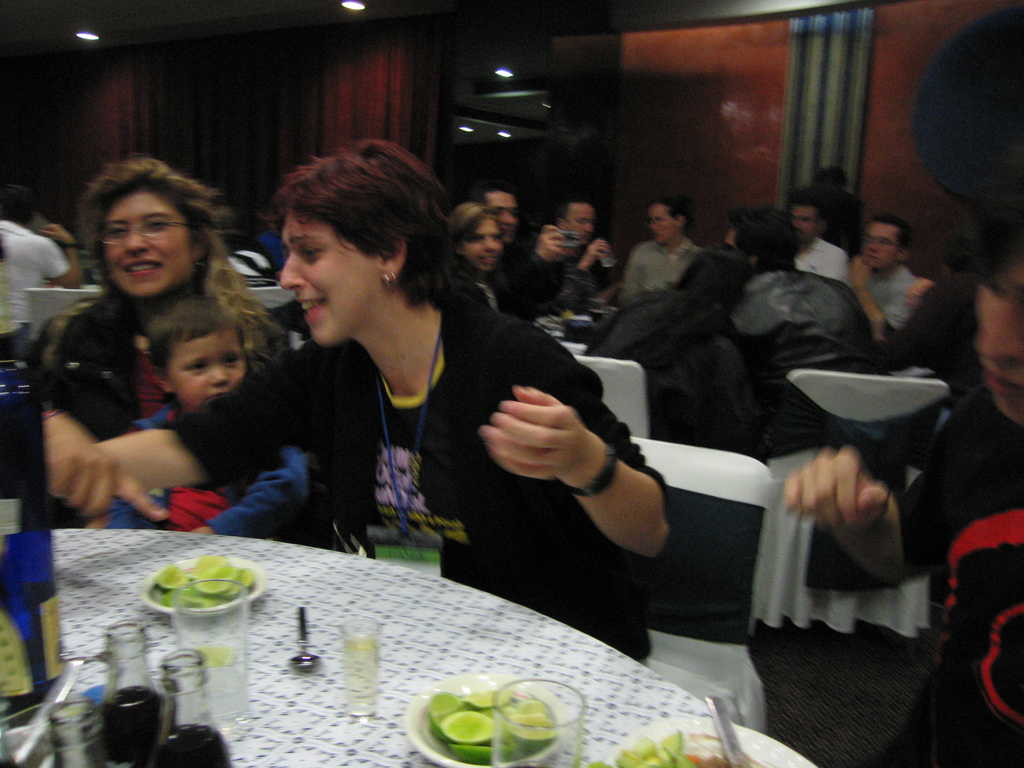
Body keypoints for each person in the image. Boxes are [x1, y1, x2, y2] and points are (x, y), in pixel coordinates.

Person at [50, 141, 668, 660]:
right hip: (405, 634)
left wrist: (585, 463)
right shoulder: (332, 367)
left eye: (310, 252)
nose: (287, 276)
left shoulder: (511, 360)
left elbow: (651, 531)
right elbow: (205, 443)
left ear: (390, 254)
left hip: (544, 650)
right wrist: (73, 452)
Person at [787, 9, 1024, 766]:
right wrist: (862, 515)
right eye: (996, 288)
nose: (997, 344)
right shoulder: (986, 420)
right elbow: (901, 557)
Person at [30, 157, 283, 524]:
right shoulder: (71, 336)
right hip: (100, 542)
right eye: (117, 232)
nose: (134, 244)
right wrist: (48, 421)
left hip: (234, 548)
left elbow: (286, 461)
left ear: (197, 243)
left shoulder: (254, 337)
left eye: (156, 226)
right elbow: (18, 408)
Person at [105, 296, 307, 536]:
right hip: (162, 552)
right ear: (163, 379)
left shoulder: (262, 427)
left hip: (241, 552)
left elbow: (287, 485)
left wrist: (218, 531)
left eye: (231, 360)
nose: (220, 377)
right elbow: (121, 499)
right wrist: (129, 540)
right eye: (199, 366)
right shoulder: (146, 436)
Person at [730, 207, 879, 453]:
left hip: (780, 435)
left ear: (750, 257)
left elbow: (735, 381)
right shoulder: (842, 291)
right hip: (863, 430)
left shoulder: (743, 301)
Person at [0, 184, 82, 357]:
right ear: (32, 214)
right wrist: (70, 244)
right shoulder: (38, 244)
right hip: (22, 324)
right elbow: (73, 284)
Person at [467, 179, 562, 320]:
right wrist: (538, 259)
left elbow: (541, 298)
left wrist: (554, 260)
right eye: (498, 212)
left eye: (514, 213)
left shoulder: (516, 249)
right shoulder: (468, 252)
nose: (510, 220)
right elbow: (503, 301)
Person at [847, 214, 919, 342]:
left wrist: (860, 289)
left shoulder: (910, 289)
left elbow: (884, 337)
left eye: (884, 242)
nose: (872, 247)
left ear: (901, 253)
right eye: (868, 239)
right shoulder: (858, 268)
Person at [620, 195, 701, 306]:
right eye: (651, 221)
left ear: (679, 221)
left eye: (659, 220)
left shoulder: (698, 257)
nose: (653, 227)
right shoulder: (642, 252)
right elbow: (626, 298)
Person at [449, 201, 504, 311]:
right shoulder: (455, 292)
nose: (491, 246)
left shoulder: (494, 281)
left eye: (496, 238)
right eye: (477, 238)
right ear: (458, 246)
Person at [789, 187, 848, 282]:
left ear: (821, 225)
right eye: (793, 218)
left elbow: (828, 290)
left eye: (805, 220)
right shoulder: (777, 248)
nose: (795, 224)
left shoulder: (833, 255)